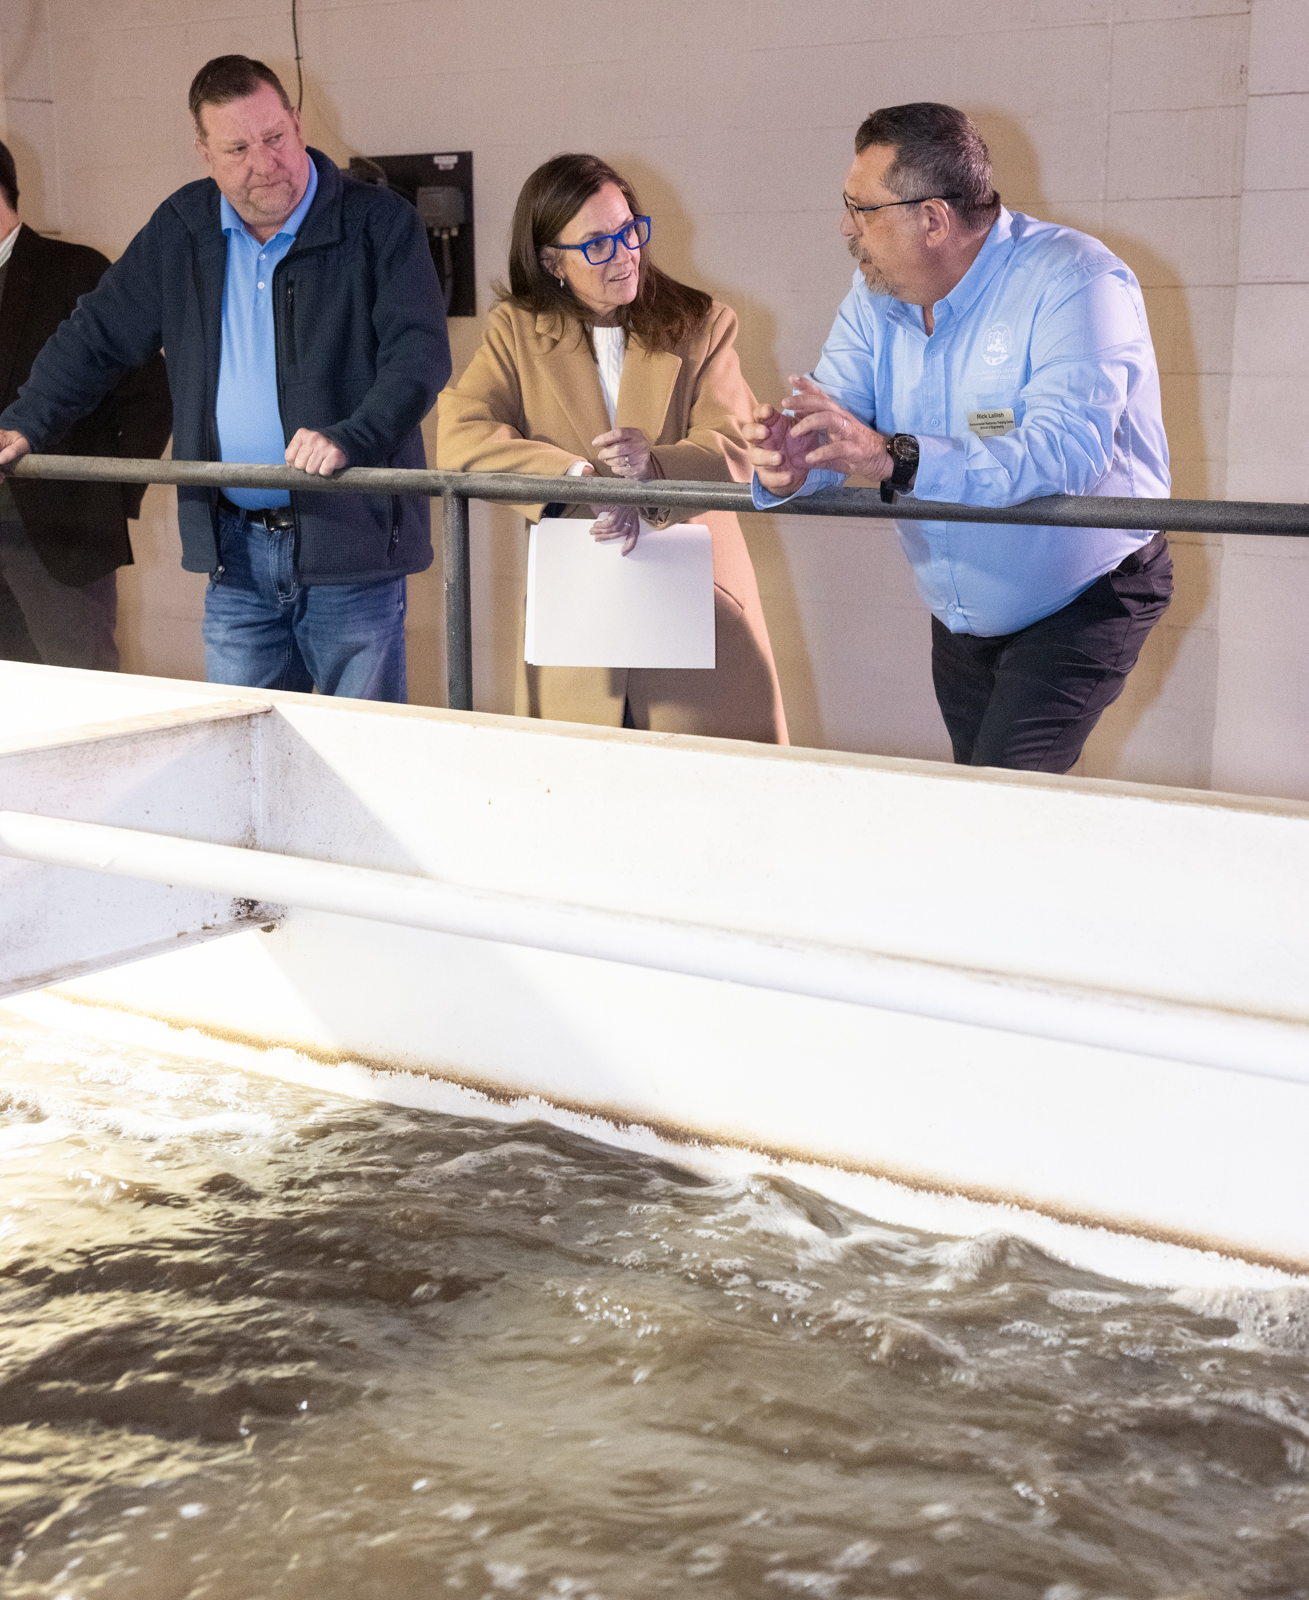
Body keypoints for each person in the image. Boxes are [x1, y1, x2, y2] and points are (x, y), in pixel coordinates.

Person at [0, 55, 449, 701]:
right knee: (241, 743)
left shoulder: (379, 224)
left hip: (349, 540)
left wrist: (354, 435)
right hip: (234, 552)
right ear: (204, 153)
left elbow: (419, 354)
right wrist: (27, 421)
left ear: (297, 125)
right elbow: (95, 337)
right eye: (237, 147)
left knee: (360, 743)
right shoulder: (182, 229)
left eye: (274, 138)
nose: (263, 163)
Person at [745, 102, 1173, 774]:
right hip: (963, 612)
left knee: (998, 808)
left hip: (1083, 595)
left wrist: (897, 457)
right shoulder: (873, 299)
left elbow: (1067, 450)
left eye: (862, 209)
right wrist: (791, 466)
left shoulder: (1075, 280)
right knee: (979, 801)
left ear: (933, 219)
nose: (844, 227)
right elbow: (837, 423)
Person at [438, 152, 787, 742]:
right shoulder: (514, 332)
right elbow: (461, 436)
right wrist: (581, 480)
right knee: (581, 802)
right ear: (551, 261)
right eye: (598, 243)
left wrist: (653, 468)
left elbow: (734, 443)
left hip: (696, 609)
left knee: (708, 801)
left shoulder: (703, 322)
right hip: (578, 610)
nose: (626, 253)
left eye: (630, 230)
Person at [0, 139, 171, 672]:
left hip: (60, 536)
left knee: (81, 694)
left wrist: (104, 496)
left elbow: (150, 399)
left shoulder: (75, 269)